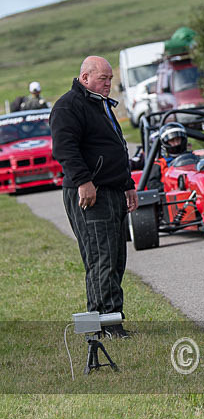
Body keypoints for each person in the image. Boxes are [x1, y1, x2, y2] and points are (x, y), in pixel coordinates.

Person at [50, 56, 138, 339]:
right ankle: (106, 325)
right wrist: (84, 182)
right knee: (101, 258)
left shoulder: (101, 105)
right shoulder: (68, 105)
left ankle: (105, 322)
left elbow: (116, 148)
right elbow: (65, 149)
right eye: (103, 79)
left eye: (111, 79)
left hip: (112, 190)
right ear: (85, 78)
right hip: (90, 192)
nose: (109, 84)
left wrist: (128, 184)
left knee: (115, 257)